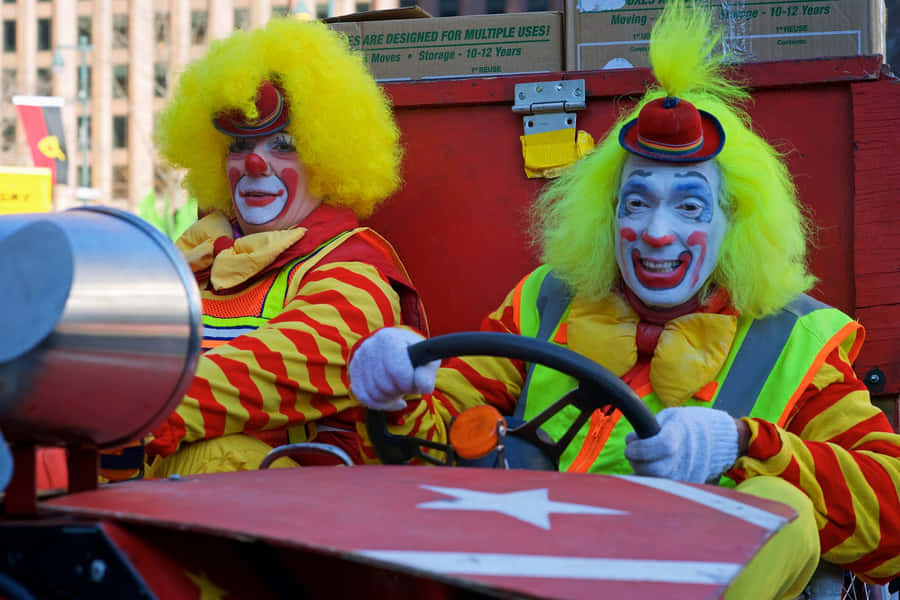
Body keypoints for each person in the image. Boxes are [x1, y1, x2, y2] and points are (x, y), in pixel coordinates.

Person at [347, 2, 900, 597]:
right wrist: (401, 387)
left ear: (734, 223)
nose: (656, 232)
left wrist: (744, 444)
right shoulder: (546, 301)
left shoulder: (796, 340)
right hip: (534, 580)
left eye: (689, 206)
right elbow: (437, 445)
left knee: (778, 505)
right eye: (636, 203)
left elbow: (892, 516)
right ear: (607, 215)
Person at [136, 17, 427, 477]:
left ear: (326, 157)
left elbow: (274, 368)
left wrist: (129, 412)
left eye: (284, 144)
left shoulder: (353, 270)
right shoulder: (190, 261)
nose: (255, 162)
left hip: (296, 513)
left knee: (213, 458)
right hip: (146, 494)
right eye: (239, 144)